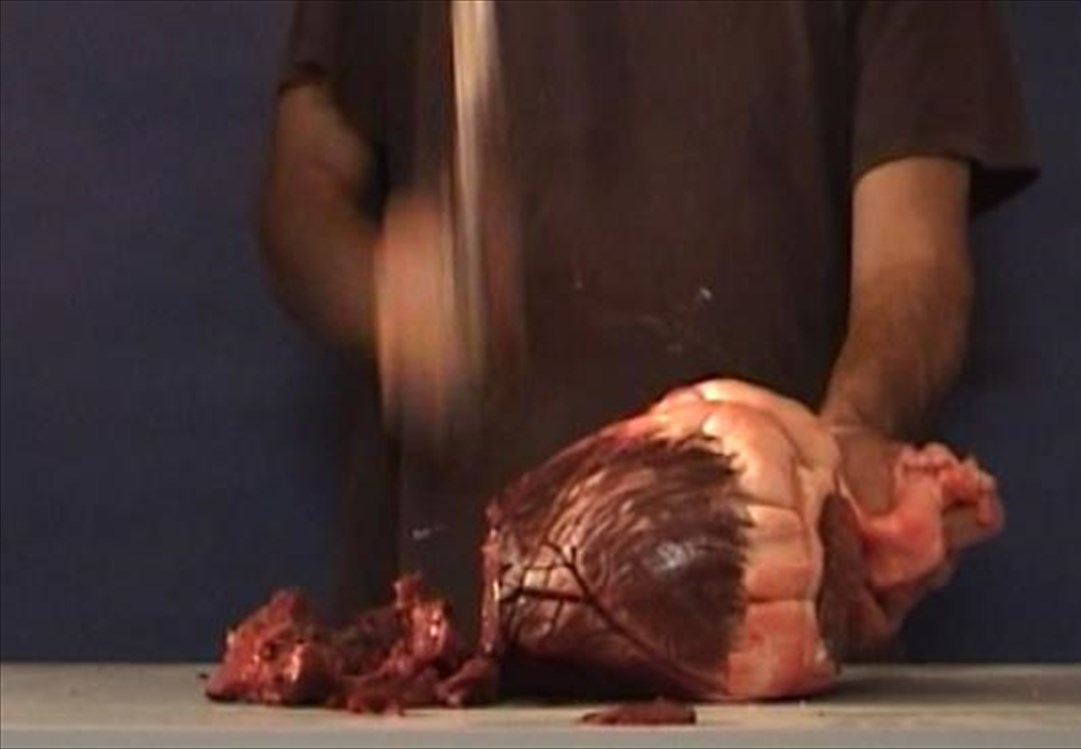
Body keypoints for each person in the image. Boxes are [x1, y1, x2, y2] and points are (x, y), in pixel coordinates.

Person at [255, 0, 1038, 629]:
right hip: (447, 636)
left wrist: (849, 437)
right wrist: (379, 292)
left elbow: (915, 265)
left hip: (755, 621)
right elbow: (304, 187)